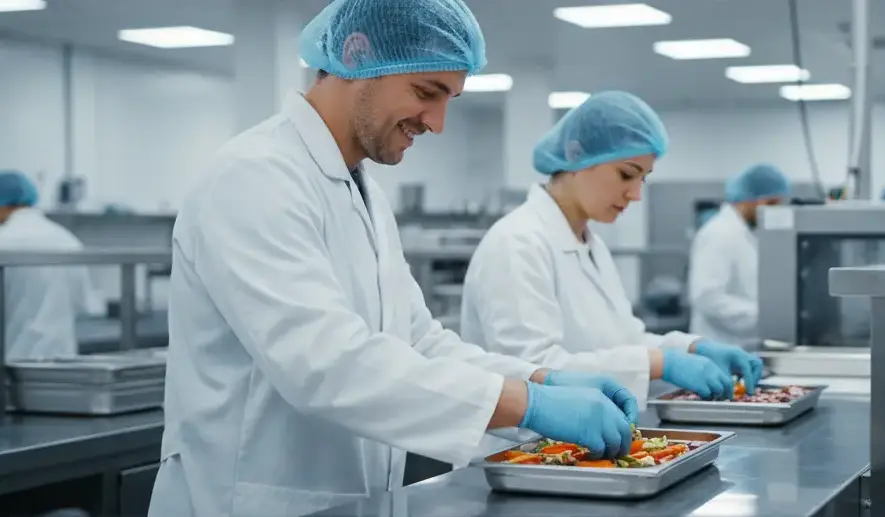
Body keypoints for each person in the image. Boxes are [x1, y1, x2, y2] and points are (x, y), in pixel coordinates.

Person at [147, 2, 642, 516]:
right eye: (427, 92)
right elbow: (326, 364)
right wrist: (526, 405)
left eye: (449, 98)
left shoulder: (363, 193)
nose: (438, 122)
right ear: (357, 54)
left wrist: (538, 380)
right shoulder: (255, 176)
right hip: (245, 501)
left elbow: (419, 342)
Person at [460, 91, 764, 423]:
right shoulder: (518, 243)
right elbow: (532, 369)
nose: (635, 195)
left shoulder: (590, 243)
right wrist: (660, 364)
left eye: (643, 179)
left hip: (585, 440)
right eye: (626, 174)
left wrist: (691, 348)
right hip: (519, 452)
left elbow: (626, 339)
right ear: (577, 157)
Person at [0, 171, 100, 363]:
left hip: (13, 360)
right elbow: (83, 304)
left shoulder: (4, 240)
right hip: (62, 359)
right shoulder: (67, 240)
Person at [687, 164, 791, 345]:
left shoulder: (746, 233)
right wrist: (764, 316)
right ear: (750, 199)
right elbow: (707, 298)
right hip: (721, 345)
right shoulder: (719, 233)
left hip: (745, 345)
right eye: (771, 203)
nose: (774, 211)